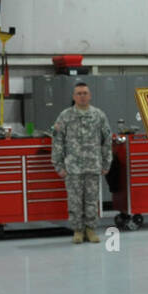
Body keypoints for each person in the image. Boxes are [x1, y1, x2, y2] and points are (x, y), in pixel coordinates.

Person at [52, 81, 112, 243]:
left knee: (92, 200)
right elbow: (57, 142)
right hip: (73, 168)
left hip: (93, 166)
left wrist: (106, 163)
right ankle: (78, 231)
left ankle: (91, 230)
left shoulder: (99, 115)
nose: (82, 96)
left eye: (85, 93)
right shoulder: (65, 116)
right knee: (75, 201)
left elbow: (107, 140)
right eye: (79, 93)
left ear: (90, 95)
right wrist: (59, 166)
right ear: (74, 96)